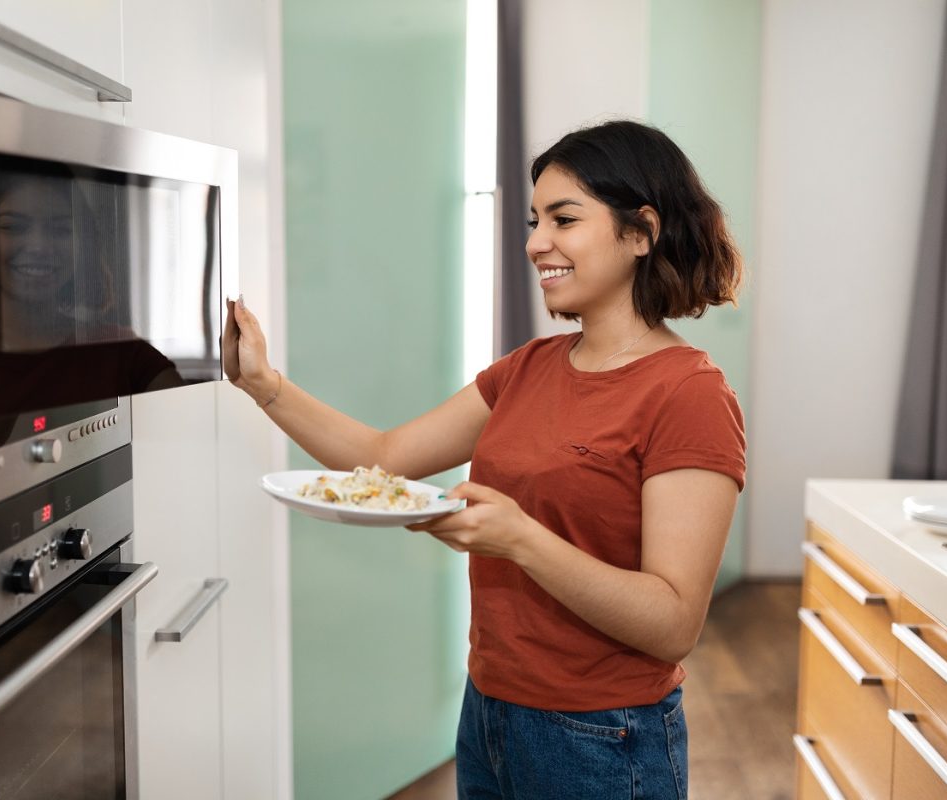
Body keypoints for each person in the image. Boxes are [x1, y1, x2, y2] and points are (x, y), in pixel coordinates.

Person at [222, 120, 746, 800]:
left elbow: (673, 622)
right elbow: (386, 458)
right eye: (534, 221)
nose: (535, 243)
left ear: (641, 231)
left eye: (564, 218)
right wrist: (264, 383)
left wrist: (522, 540)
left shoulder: (690, 395)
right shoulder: (527, 369)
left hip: (602, 738)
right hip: (489, 713)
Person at [0, 153, 183, 428]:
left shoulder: (120, 351)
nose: (39, 246)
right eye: (14, 226)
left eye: (60, 229)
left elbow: (190, 429)